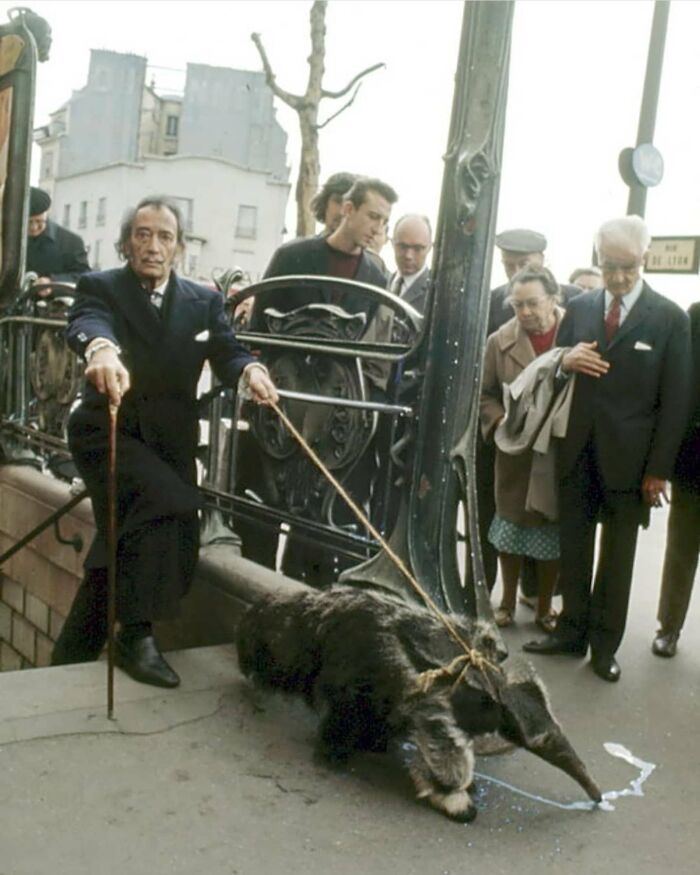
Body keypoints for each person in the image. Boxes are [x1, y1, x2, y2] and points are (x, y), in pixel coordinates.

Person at [51, 196, 278, 687]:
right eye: (143, 235)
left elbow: (227, 351)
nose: (153, 246)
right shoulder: (100, 286)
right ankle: (136, 636)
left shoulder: (203, 301)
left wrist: (250, 372)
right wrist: (101, 350)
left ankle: (70, 655)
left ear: (178, 247)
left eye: (164, 237)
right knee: (168, 503)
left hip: (170, 443)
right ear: (126, 242)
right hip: (108, 433)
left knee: (121, 538)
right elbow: (87, 322)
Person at [524, 216, 691, 683]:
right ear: (597, 256)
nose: (617, 277)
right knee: (573, 548)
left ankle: (604, 647)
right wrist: (565, 360)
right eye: (609, 265)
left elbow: (676, 402)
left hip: (633, 463)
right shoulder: (580, 307)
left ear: (645, 259)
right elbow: (551, 370)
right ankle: (570, 632)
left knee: (618, 558)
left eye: (628, 267)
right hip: (577, 449)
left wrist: (659, 470)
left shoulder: (669, 318)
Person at [480, 268, 564, 631]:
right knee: (510, 529)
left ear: (553, 298)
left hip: (557, 452)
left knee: (551, 532)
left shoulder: (574, 333)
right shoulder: (498, 342)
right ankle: (507, 603)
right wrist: (499, 422)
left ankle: (545, 608)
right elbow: (484, 393)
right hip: (514, 454)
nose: (525, 312)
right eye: (517, 305)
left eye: (533, 303)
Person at [650, 299, 700, 658]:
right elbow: (680, 384)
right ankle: (669, 627)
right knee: (682, 547)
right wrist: (664, 461)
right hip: (695, 457)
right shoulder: (696, 316)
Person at [26, 186, 90, 284]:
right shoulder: (8, 239)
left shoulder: (71, 242)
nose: (34, 227)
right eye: (29, 222)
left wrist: (52, 281)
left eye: (39, 221)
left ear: (46, 215)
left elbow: (83, 276)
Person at [389, 214, 432, 314]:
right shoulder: (381, 282)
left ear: (429, 247)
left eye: (417, 249)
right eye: (402, 246)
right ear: (392, 243)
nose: (408, 256)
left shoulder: (435, 293)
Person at [310, 171, 359, 236]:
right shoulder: (303, 243)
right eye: (338, 201)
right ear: (325, 203)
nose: (342, 212)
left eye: (349, 205)